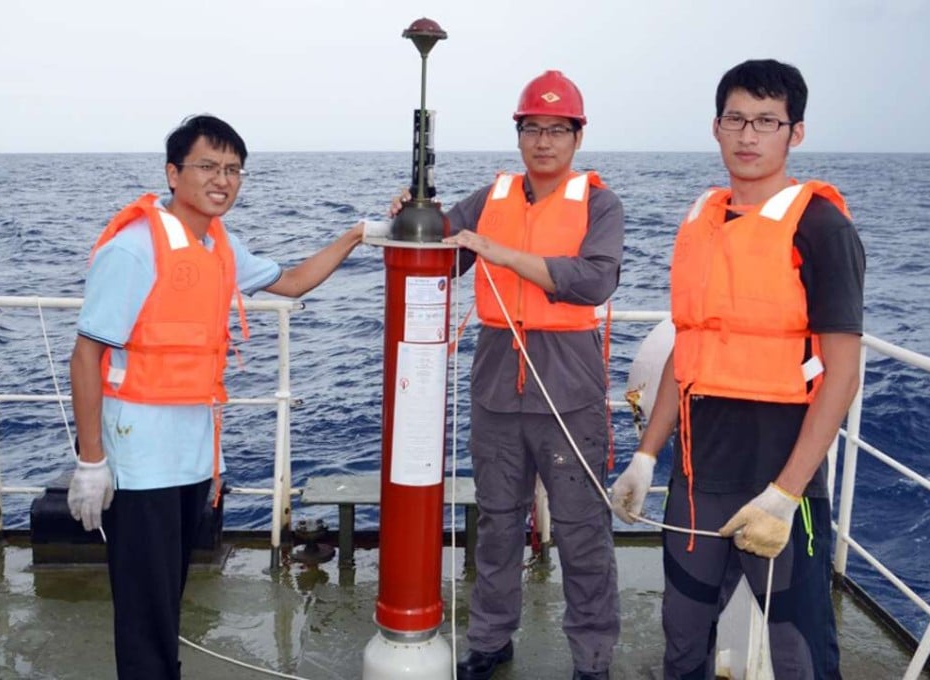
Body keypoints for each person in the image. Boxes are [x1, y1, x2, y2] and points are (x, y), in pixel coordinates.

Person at [67, 114, 365, 679]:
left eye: (233, 169)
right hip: (138, 457)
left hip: (193, 454)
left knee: (169, 599)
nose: (222, 179)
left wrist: (357, 234)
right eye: (208, 166)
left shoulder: (220, 246)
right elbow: (86, 355)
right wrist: (91, 462)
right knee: (144, 613)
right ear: (173, 173)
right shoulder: (134, 249)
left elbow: (296, 281)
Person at [610, 59, 865, 678]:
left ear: (794, 133)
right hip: (699, 476)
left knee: (799, 652)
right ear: (716, 127)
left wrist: (785, 495)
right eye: (736, 120)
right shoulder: (701, 222)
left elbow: (843, 373)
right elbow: (689, 348)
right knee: (682, 636)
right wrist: (646, 456)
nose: (749, 136)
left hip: (781, 476)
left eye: (767, 122)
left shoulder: (822, 228)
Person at [392, 70, 623, 680]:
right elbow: (446, 246)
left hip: (569, 387)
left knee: (581, 532)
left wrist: (502, 253)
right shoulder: (489, 197)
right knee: (496, 522)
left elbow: (594, 280)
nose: (543, 141)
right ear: (518, 134)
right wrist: (414, 215)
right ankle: (491, 640)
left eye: (556, 129)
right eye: (532, 129)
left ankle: (593, 659)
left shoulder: (600, 203)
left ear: (577, 137)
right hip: (497, 380)